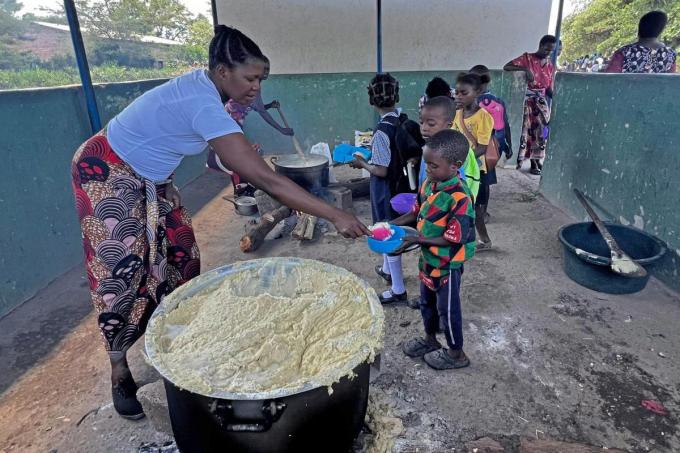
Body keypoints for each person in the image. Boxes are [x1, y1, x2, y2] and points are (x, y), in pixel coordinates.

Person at [71, 25, 368, 420]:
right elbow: (266, 178)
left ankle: (179, 336)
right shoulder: (203, 102)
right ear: (222, 70)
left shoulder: (214, 93)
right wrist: (334, 214)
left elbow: (169, 136)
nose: (256, 88)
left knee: (181, 253)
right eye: (250, 78)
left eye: (261, 79)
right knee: (120, 273)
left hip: (151, 177)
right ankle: (118, 368)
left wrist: (165, 181)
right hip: (106, 168)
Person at [391, 129, 476, 370]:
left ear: (454, 166)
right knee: (426, 303)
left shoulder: (460, 198)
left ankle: (456, 353)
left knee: (447, 310)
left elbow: (453, 239)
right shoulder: (429, 184)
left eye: (433, 165)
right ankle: (430, 340)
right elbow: (415, 212)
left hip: (448, 264)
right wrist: (388, 226)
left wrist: (415, 239)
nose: (426, 169)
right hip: (428, 259)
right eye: (425, 163)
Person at [350, 73, 409, 304]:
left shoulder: (382, 131)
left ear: (371, 101)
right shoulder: (401, 119)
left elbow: (381, 170)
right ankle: (387, 270)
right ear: (396, 96)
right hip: (400, 184)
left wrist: (361, 163)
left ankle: (398, 289)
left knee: (386, 232)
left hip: (386, 188)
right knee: (389, 228)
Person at [207, 57, 294, 197]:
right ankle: (241, 190)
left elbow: (256, 107)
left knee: (241, 158)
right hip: (227, 130)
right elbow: (262, 112)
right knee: (240, 158)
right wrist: (281, 129)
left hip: (229, 128)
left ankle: (242, 188)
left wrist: (270, 105)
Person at [453, 72, 495, 251]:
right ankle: (462, 238)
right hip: (460, 169)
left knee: (477, 210)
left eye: (464, 93)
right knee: (462, 206)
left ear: (477, 92)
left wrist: (461, 161)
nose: (458, 96)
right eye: (457, 92)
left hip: (477, 171)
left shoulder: (483, 117)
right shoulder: (457, 114)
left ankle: (485, 241)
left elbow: (482, 148)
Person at [504, 35, 557, 175]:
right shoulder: (527, 58)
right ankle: (526, 161)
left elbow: (549, 89)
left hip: (540, 102)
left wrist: (558, 99)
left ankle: (537, 160)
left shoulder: (550, 66)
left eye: (551, 51)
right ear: (540, 45)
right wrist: (525, 70)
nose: (548, 53)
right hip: (527, 100)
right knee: (526, 131)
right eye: (546, 49)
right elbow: (507, 67)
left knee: (541, 133)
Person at [605, 11, 677, 74]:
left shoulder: (624, 53)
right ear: (660, 30)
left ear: (640, 28)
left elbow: (609, 80)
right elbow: (670, 82)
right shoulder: (671, 54)